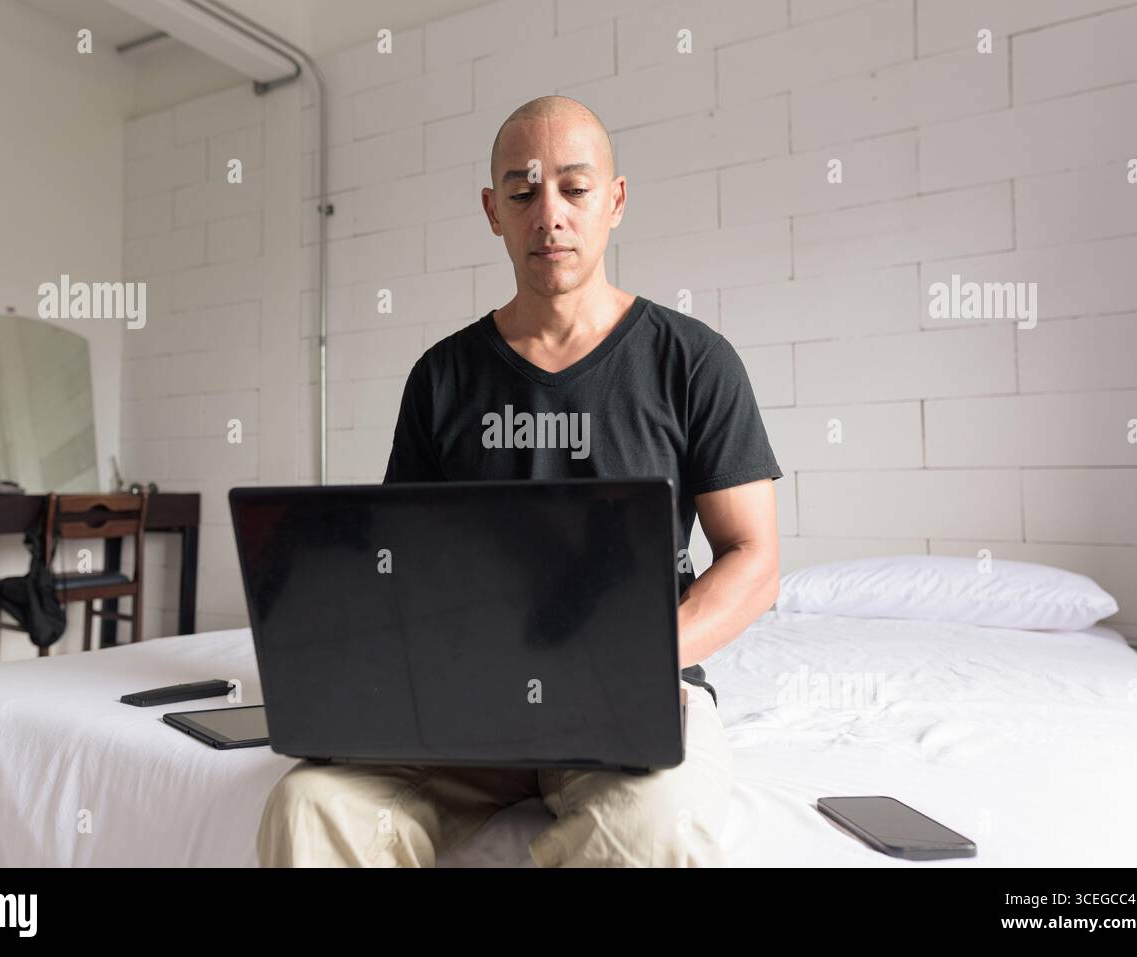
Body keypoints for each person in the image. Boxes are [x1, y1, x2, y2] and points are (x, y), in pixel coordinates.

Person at [257, 95, 782, 867]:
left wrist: (632, 656)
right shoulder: (441, 376)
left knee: (654, 825)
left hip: (628, 694)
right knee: (308, 805)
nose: (550, 214)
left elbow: (754, 557)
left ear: (615, 200)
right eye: (522, 191)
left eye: (574, 188)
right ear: (492, 211)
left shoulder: (693, 360)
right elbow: (396, 564)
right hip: (465, 701)